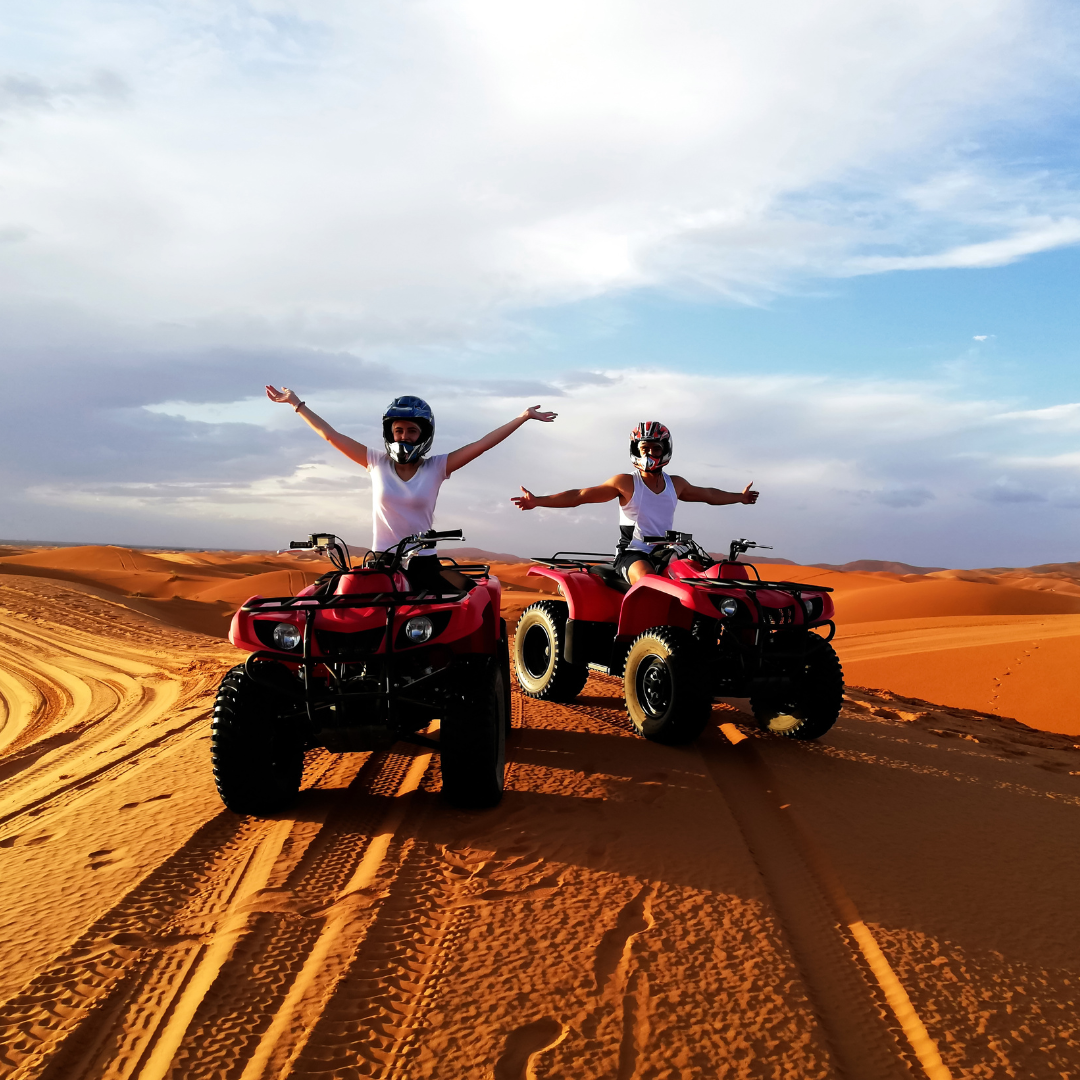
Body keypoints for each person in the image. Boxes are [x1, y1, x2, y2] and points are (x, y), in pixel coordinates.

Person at [266, 386, 556, 590]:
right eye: (399, 430)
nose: (404, 436)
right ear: (390, 433)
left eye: (412, 430)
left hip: (424, 564)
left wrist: (523, 417)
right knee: (331, 595)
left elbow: (482, 444)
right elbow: (331, 436)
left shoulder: (437, 467)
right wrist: (296, 404)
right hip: (381, 562)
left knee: (473, 600)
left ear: (423, 435)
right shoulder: (375, 462)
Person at [511, 421, 759, 584]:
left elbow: (708, 495)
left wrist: (740, 498)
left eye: (655, 449)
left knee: (700, 577)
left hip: (667, 552)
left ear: (665, 450)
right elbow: (580, 496)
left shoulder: (676, 484)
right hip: (633, 554)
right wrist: (538, 501)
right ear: (636, 450)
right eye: (644, 448)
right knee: (649, 582)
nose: (649, 454)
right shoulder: (626, 483)